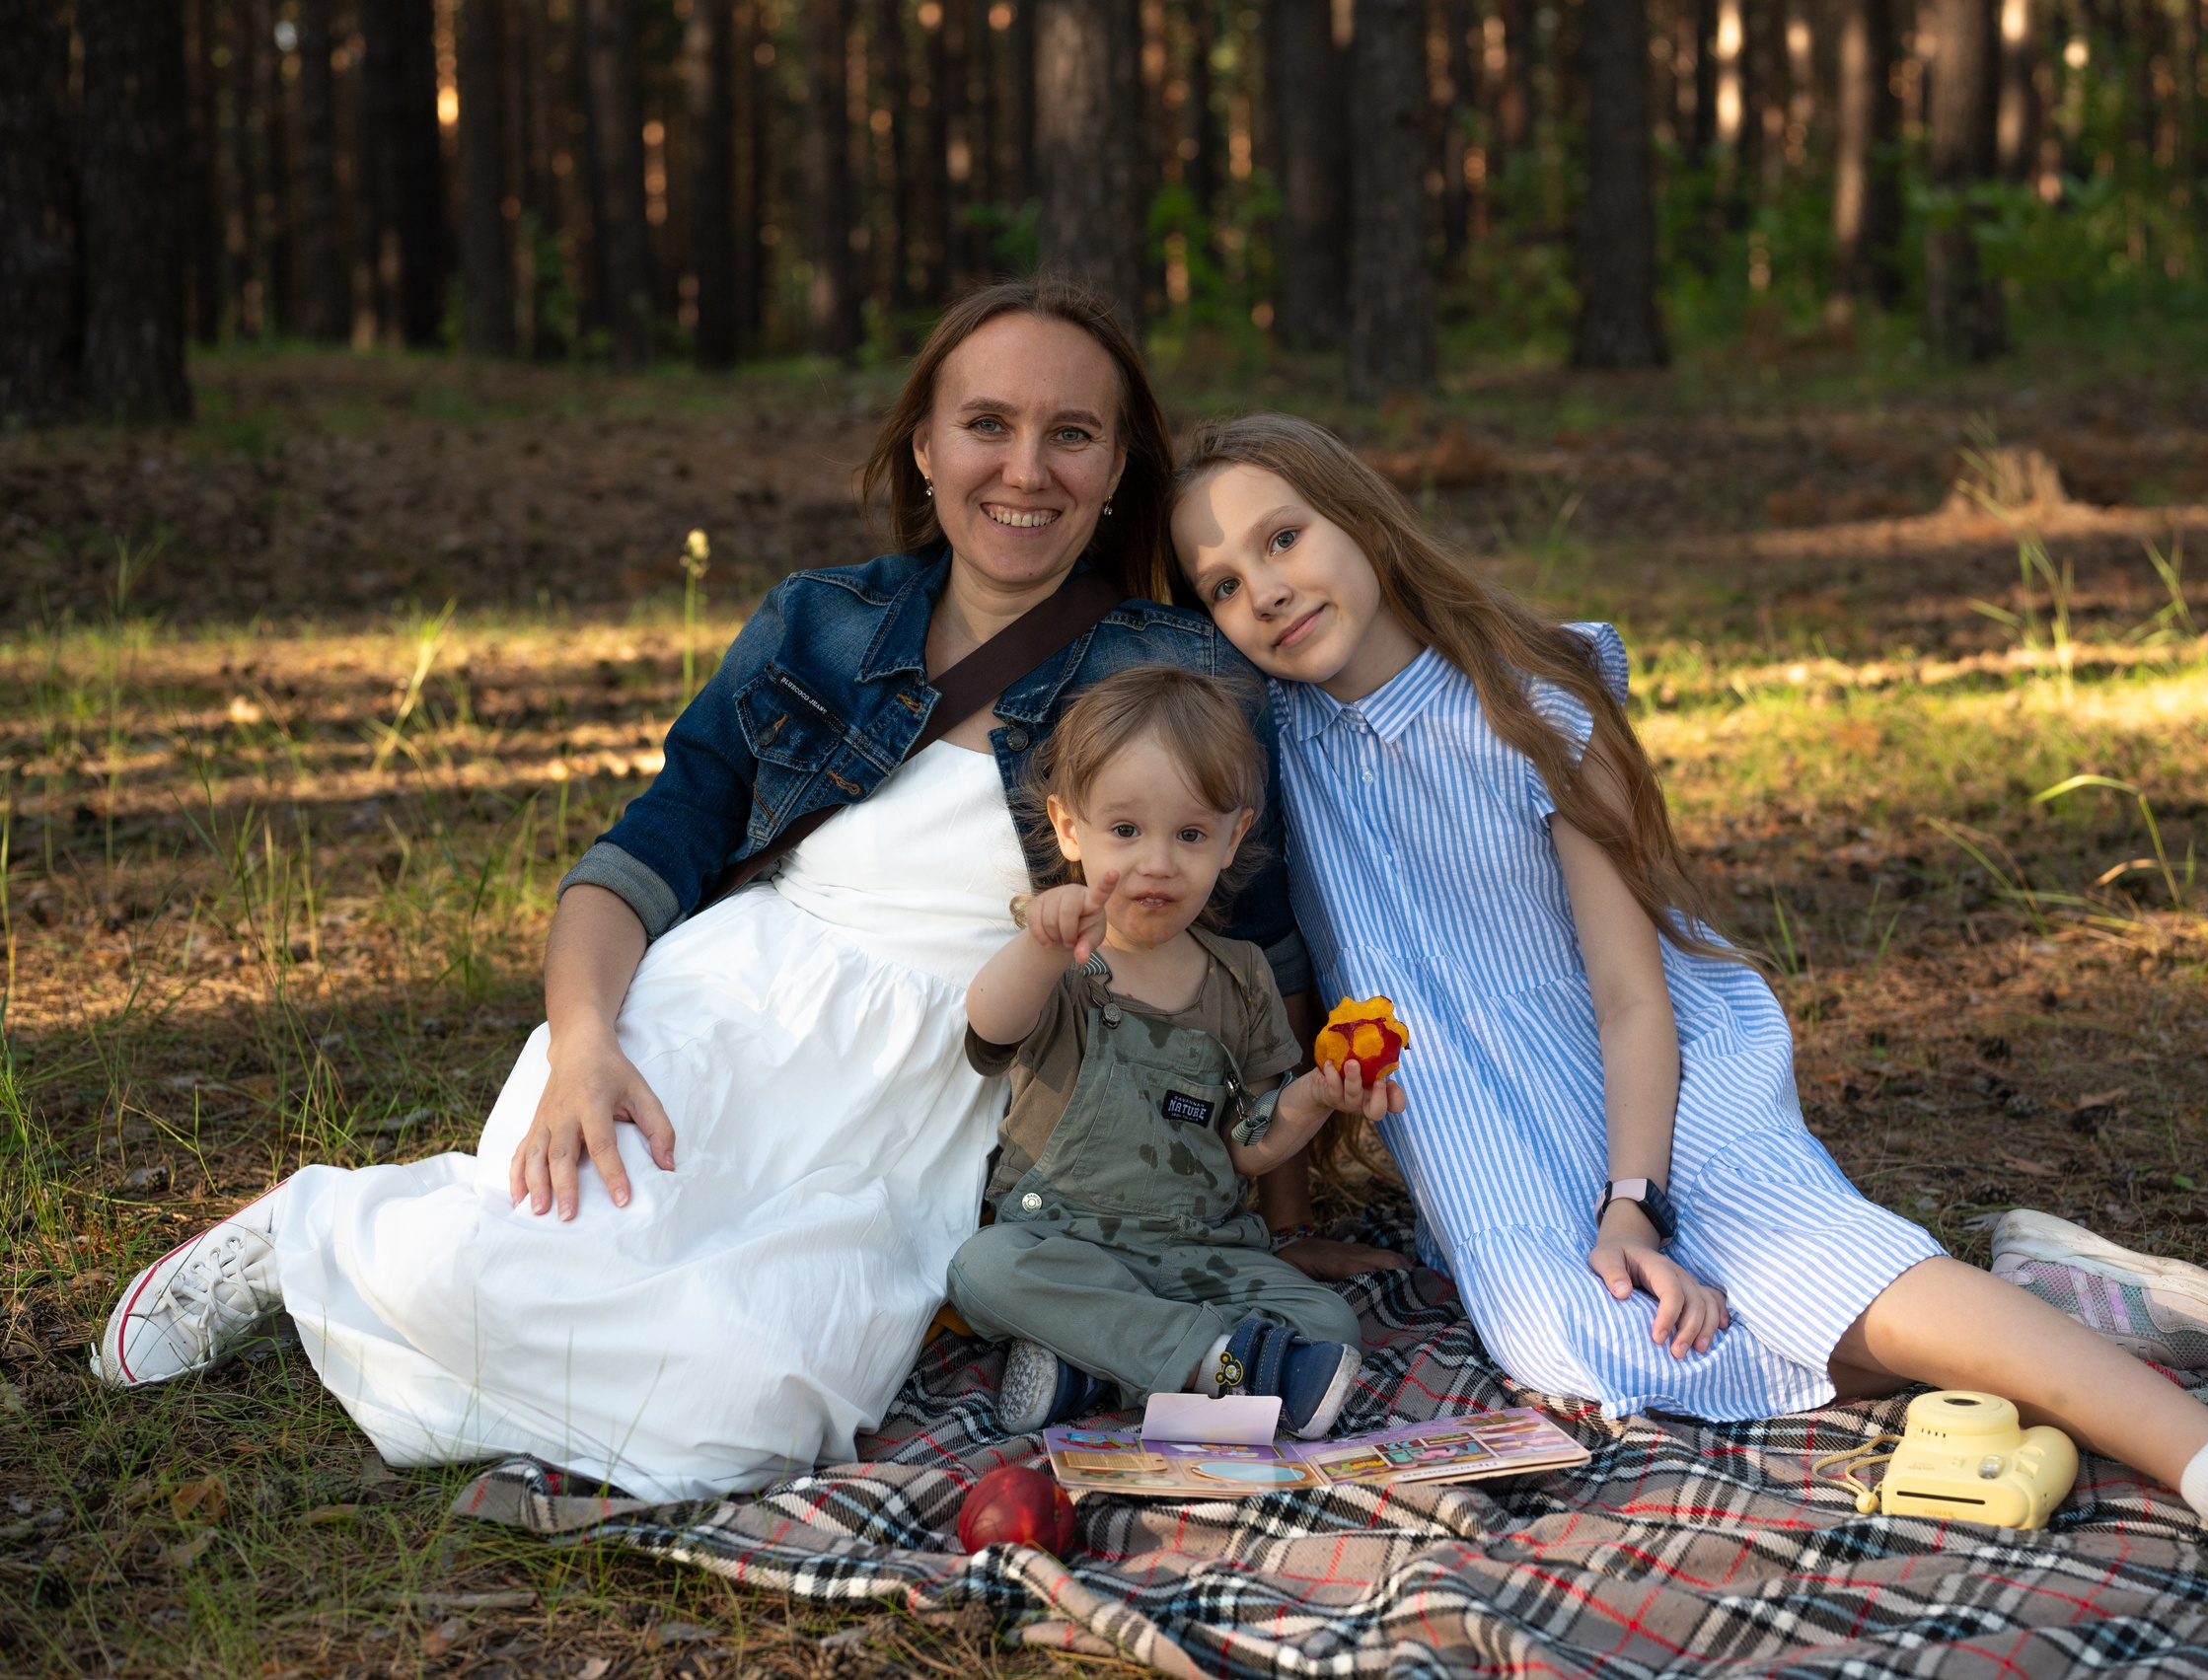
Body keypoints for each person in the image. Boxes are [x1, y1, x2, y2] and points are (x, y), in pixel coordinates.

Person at [85, 278, 1392, 1503]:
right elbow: (646, 851)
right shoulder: (819, 623)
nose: (1026, 467)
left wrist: (1272, 1225)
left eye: (1073, 434)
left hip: (944, 1081)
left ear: (1117, 472)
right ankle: (314, 1226)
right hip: (729, 1013)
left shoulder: (1172, 664)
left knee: (750, 1411)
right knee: (507, 1254)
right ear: (926, 445)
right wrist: (586, 1046)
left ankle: (402, 1260)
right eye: (986, 424)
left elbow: (1253, 952)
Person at [1164, 411, 2208, 1640]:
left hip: (1659, 1078)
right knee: (1572, 1346)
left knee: (1792, 1264)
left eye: (1284, 538)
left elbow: (1629, 994)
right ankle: (2030, 1304)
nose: (1264, 591)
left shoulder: (1528, 704)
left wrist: (1632, 1196)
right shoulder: (1275, 744)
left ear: (1364, 522)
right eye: (1222, 582)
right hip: (1491, 1124)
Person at [947, 667, 1369, 1438]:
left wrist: (1313, 1097)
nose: (1158, 862)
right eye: (1126, 830)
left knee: (1328, 1316)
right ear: (1070, 828)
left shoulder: (1242, 979)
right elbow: (990, 1026)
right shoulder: (1062, 959)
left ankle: (1086, 1369)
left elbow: (1250, 1146)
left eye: (1191, 834)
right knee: (983, 1270)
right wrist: (1041, 947)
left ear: (1233, 836)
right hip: (1064, 1240)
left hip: (1199, 1254)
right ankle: (1214, 1365)